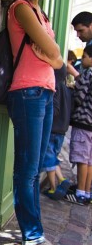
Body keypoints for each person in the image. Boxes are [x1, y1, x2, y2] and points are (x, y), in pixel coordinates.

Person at [6, 0, 65, 245]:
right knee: (27, 170)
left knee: (36, 167)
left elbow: (58, 60)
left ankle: (36, 232)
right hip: (27, 92)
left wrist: (51, 56)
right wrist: (50, 56)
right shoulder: (21, 8)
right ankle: (32, 235)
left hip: (44, 92)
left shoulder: (40, 13)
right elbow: (55, 53)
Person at [41, 51, 77, 200]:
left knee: (49, 159)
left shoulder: (54, 87)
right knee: (53, 156)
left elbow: (54, 109)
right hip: (62, 130)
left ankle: (55, 186)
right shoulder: (68, 90)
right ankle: (60, 181)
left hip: (53, 128)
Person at [65, 44, 92, 205]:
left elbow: (80, 96)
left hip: (83, 122)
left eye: (86, 57)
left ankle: (80, 193)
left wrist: (74, 85)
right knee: (89, 161)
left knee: (81, 158)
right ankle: (87, 192)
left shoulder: (88, 73)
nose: (83, 60)